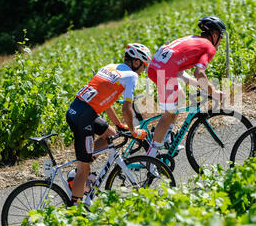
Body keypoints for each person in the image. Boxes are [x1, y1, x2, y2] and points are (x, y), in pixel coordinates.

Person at [66, 43, 151, 205]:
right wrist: (134, 131)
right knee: (83, 171)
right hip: (84, 117)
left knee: (111, 135)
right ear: (136, 62)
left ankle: (83, 165)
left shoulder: (110, 67)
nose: (143, 70)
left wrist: (118, 124)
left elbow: (107, 101)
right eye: (144, 66)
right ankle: (74, 210)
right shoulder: (132, 76)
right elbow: (127, 108)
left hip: (77, 109)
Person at [146, 15, 226, 158]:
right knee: (168, 115)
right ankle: (150, 157)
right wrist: (213, 91)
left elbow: (183, 75)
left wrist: (203, 87)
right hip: (165, 72)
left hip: (155, 67)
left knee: (180, 97)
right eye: (220, 37)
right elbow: (199, 72)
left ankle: (166, 137)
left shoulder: (193, 39)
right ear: (214, 35)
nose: (220, 41)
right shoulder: (209, 47)